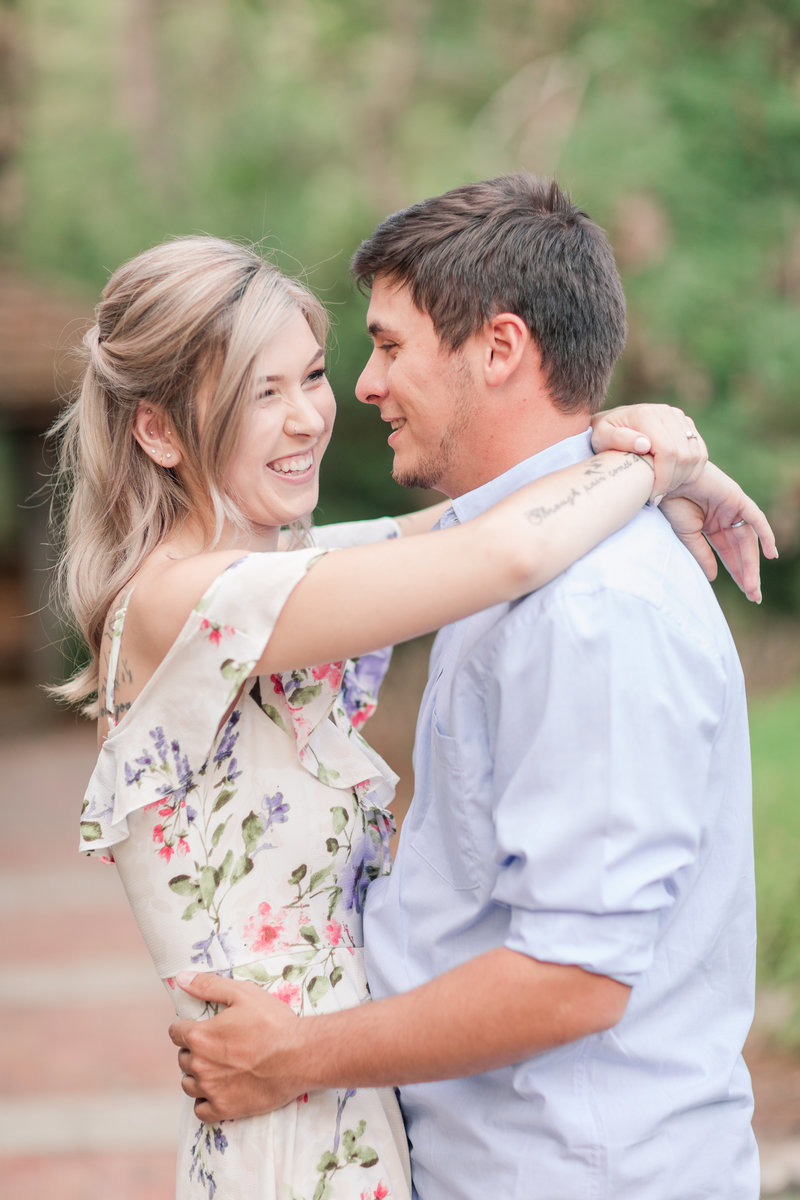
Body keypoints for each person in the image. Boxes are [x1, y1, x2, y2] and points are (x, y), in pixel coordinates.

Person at [169, 179, 777, 1200]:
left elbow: (573, 978)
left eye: (389, 346)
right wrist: (641, 458)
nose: (360, 389)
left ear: (498, 350)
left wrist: (296, 1055)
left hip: (574, 1171)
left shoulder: (591, 609)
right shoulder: (493, 561)